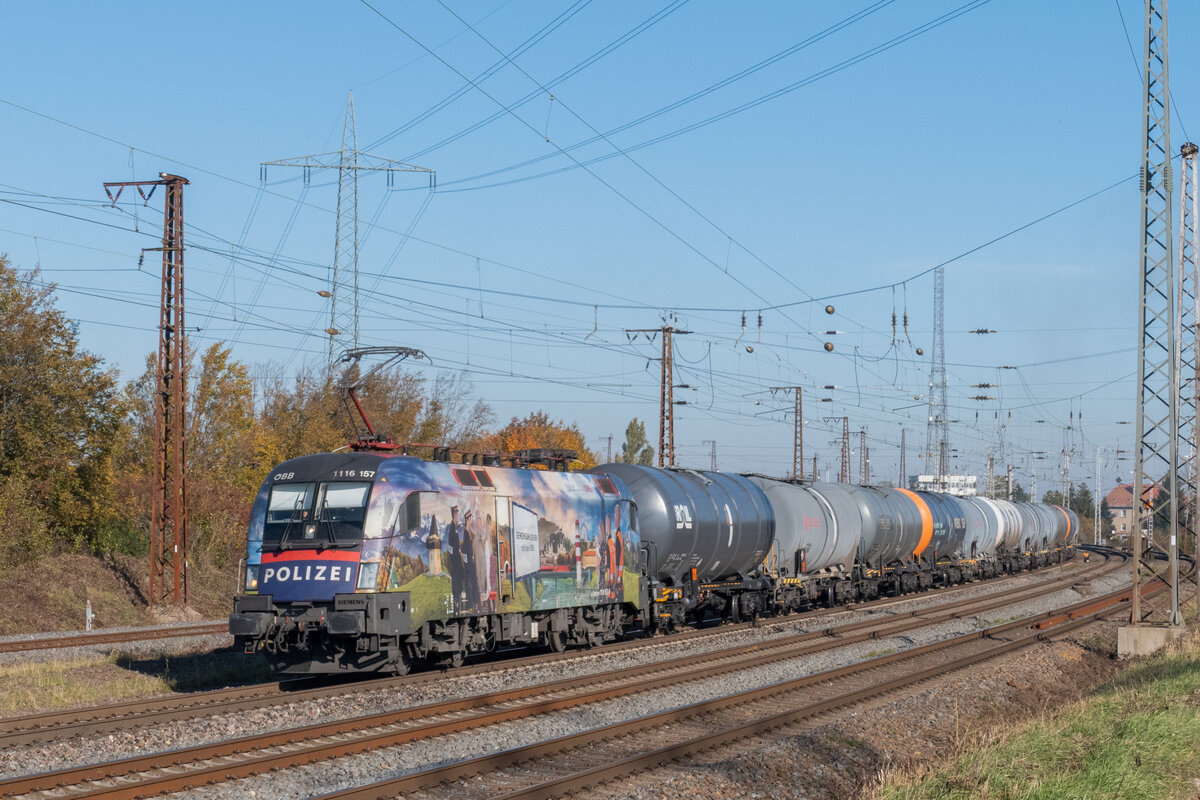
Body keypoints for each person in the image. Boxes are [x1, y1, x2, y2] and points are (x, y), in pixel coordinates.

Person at [444, 506, 464, 613]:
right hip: (456, 569)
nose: (458, 515)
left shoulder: (453, 529)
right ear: (454, 514)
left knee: (457, 592)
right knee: (457, 593)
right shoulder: (452, 530)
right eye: (457, 512)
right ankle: (457, 609)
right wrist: (461, 570)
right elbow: (455, 553)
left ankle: (458, 609)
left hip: (455, 568)